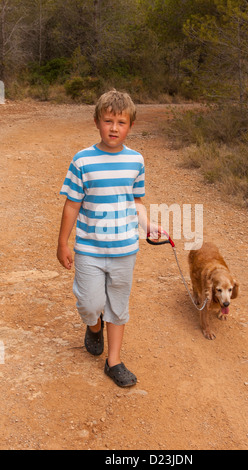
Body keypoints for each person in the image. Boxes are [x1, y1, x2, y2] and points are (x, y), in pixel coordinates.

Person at [57, 89, 162, 387]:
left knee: (118, 304)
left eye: (121, 122)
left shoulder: (136, 161)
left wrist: (149, 226)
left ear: (130, 126)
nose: (114, 128)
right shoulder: (82, 161)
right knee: (90, 303)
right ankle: (93, 327)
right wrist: (62, 242)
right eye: (108, 121)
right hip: (89, 247)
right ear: (96, 122)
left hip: (125, 249)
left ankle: (113, 361)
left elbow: (136, 202)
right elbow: (72, 204)